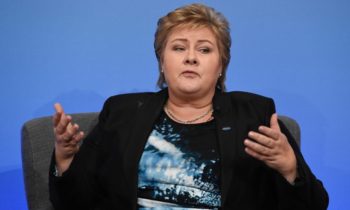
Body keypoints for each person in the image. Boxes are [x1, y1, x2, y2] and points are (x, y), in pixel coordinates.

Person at [49, 3, 328, 210]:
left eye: (205, 50)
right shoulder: (122, 113)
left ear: (221, 65)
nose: (191, 58)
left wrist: (290, 169)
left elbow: (315, 205)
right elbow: (76, 203)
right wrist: (65, 159)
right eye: (179, 48)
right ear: (162, 61)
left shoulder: (254, 115)